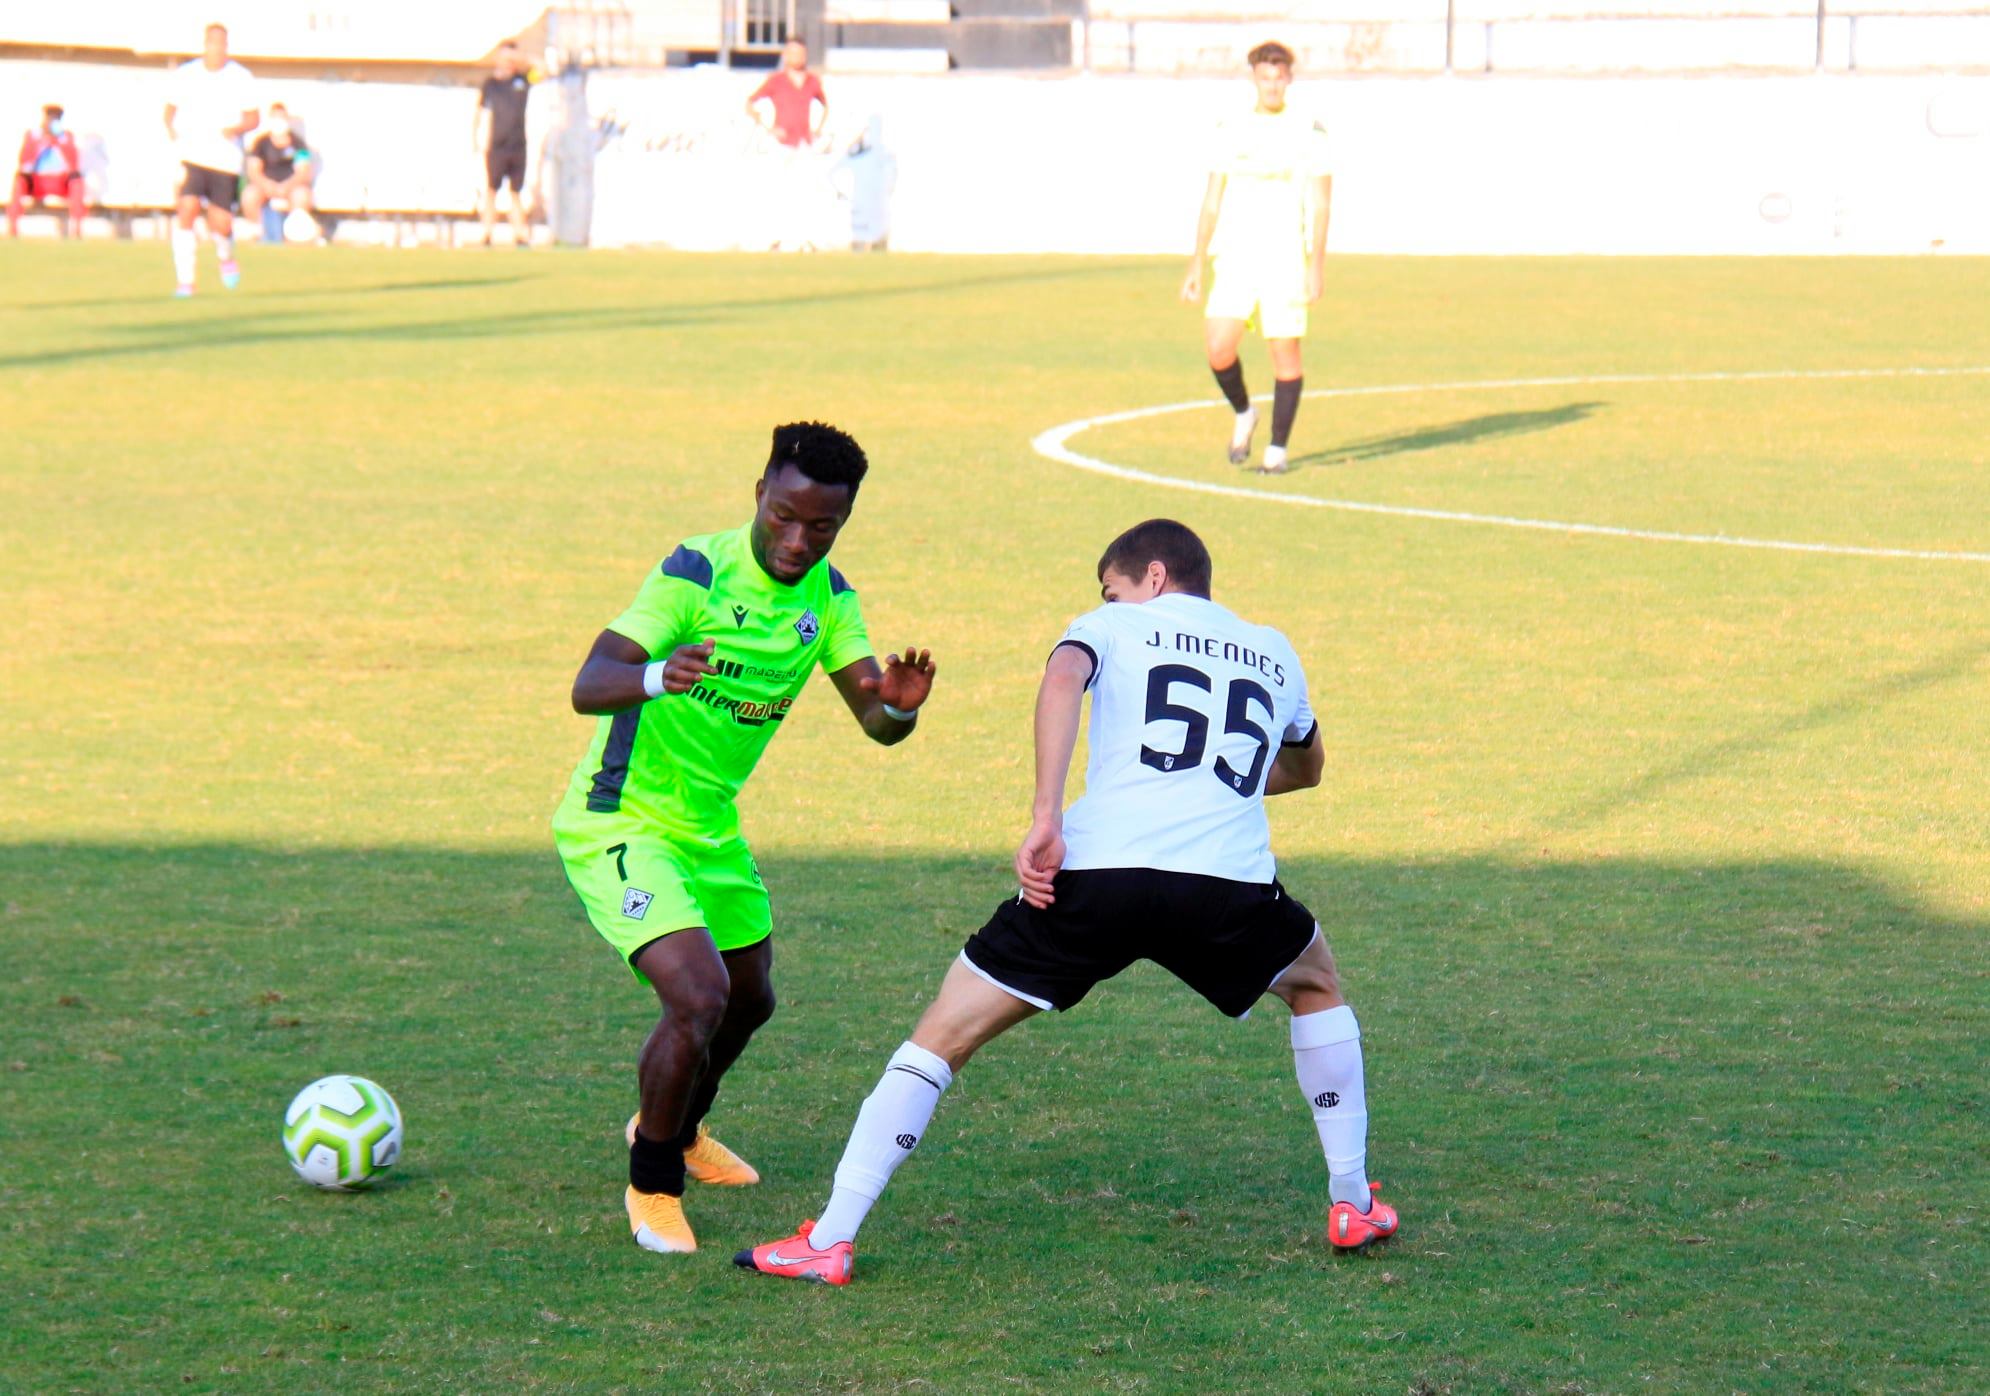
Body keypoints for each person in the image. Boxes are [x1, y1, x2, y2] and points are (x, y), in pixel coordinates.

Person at [737, 519, 1398, 1285]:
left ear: (1151, 577)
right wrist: (1217, 787)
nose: (1109, 600)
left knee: (942, 1038)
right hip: (1227, 884)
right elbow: (1307, 768)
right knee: (1315, 983)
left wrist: (1046, 815)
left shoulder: (1108, 625)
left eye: (1112, 588)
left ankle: (831, 1239)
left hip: (1095, 876)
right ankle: (1351, 1201)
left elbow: (1061, 680)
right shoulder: (1274, 648)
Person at [551, 422, 938, 1257]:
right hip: (620, 817)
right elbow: (590, 685)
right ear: (759, 492)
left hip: (708, 830)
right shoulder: (696, 570)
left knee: (750, 997)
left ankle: (680, 1127)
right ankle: (654, 1183)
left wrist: (899, 705)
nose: (798, 540)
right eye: (785, 516)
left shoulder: (830, 600)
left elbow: (875, 721)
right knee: (697, 998)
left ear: (843, 520)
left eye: (821, 526)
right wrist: (659, 674)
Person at [1179, 41, 1332, 474]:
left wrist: (1316, 264)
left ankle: (1277, 451)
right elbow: (1211, 201)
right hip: (1235, 259)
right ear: (1254, 79)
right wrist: (1195, 262)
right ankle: (1244, 412)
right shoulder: (1232, 128)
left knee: (1285, 355)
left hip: (1285, 259)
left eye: (1279, 76)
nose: (1272, 84)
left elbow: (1321, 204)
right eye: (1265, 77)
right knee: (1218, 349)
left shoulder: (1309, 130)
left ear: (1289, 79)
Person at [162, 23, 257, 296]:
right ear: (205, 44)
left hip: (225, 161)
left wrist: (236, 129)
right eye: (212, 42)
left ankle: (226, 256)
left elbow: (253, 117)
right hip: (193, 156)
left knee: (221, 222)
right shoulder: (186, 75)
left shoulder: (240, 77)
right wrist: (172, 131)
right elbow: (169, 110)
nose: (216, 48)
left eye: (221, 43)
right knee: (187, 209)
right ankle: (185, 281)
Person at [475, 41, 536, 248]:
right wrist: (476, 138)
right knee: (492, 190)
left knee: (516, 192)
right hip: (497, 146)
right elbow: (480, 112)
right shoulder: (491, 85)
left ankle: (520, 235)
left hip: (518, 145)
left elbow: (544, 70)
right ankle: (486, 234)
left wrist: (522, 59)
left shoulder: (524, 79)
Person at [10, 103, 85, 239]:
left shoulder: (66, 137)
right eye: (49, 117)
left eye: (56, 118)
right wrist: (42, 141)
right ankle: (13, 229)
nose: (51, 121)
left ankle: (77, 230)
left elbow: (74, 164)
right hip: (37, 181)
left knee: (77, 182)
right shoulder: (32, 136)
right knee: (19, 181)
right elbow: (24, 162)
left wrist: (57, 141)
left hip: (60, 181)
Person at [242, 104, 316, 242]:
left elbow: (303, 171)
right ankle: (257, 232)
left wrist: (286, 186)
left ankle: (294, 235)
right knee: (250, 195)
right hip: (265, 185)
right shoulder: (261, 143)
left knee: (302, 196)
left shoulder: (298, 144)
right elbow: (253, 170)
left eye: (281, 117)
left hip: (290, 186)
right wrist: (267, 185)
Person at [745, 40, 827, 150]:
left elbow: (825, 106)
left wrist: (818, 130)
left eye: (800, 53)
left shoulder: (813, 81)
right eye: (793, 53)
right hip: (780, 146)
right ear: (785, 56)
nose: (797, 57)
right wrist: (768, 128)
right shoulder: (775, 80)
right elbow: (750, 103)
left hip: (805, 145)